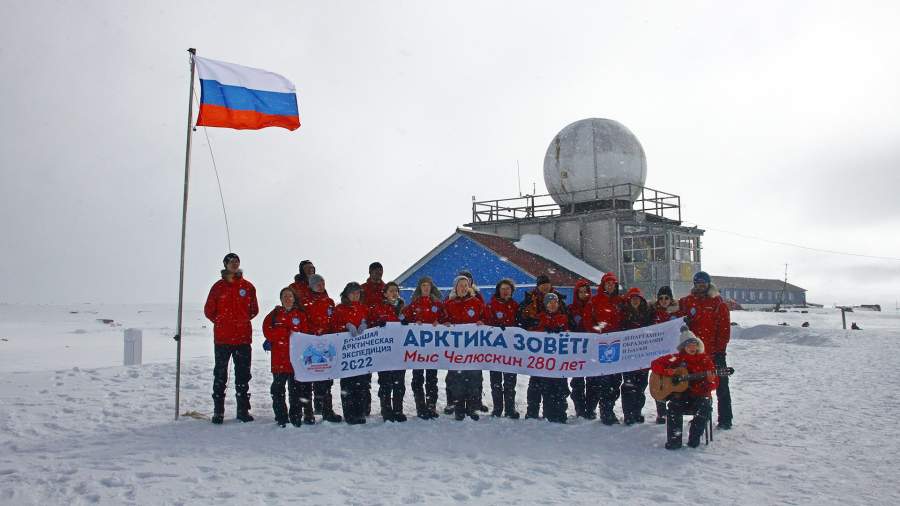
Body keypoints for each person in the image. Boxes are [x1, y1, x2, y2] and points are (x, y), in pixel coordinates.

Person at [204, 253, 259, 424]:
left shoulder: (248, 287)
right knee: (220, 375)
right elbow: (209, 310)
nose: (234, 264)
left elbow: (253, 310)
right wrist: (222, 322)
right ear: (225, 265)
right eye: (231, 262)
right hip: (223, 339)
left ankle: (243, 410)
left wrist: (241, 321)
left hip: (242, 339)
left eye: (237, 262)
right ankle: (218, 411)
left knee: (243, 376)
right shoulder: (218, 287)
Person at [679, 271, 732, 430]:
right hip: (694, 353)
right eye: (698, 283)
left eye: (704, 283)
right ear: (694, 284)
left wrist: (720, 350)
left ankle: (725, 419)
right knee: (694, 386)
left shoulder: (717, 303)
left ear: (708, 284)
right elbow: (673, 311)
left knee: (721, 384)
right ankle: (698, 417)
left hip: (714, 353)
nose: (701, 286)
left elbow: (724, 330)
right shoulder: (688, 302)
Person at [651, 329, 719, 449]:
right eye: (689, 345)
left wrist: (709, 381)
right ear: (683, 347)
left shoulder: (705, 360)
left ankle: (694, 439)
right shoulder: (676, 358)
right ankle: (674, 441)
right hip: (681, 395)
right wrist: (667, 371)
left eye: (694, 344)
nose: (692, 347)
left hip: (699, 395)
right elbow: (655, 363)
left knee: (704, 408)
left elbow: (714, 383)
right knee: (673, 407)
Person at [262, 287, 308, 427]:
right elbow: (267, 331)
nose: (288, 299)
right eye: (285, 296)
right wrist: (284, 334)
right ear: (281, 299)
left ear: (294, 299)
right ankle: (281, 417)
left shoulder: (300, 315)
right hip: (279, 360)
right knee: (278, 390)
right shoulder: (274, 314)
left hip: (295, 361)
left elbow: (305, 334)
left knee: (295, 391)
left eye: (290, 296)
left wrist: (291, 336)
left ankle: (295, 417)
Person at [442, 275, 486, 421]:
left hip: (473, 352)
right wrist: (445, 323)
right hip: (455, 352)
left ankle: (472, 408)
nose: (463, 288)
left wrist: (482, 322)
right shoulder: (449, 304)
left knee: (473, 380)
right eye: (460, 285)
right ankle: (459, 408)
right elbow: (442, 319)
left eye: (465, 285)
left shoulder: (476, 302)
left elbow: (486, 317)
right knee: (457, 381)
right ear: (455, 287)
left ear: (469, 287)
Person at [301, 273, 343, 423]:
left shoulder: (329, 302)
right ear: (311, 285)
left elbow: (334, 321)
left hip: (326, 345)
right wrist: (313, 332)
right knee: (307, 379)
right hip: (310, 345)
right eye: (318, 283)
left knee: (325, 380)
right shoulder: (304, 302)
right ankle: (308, 412)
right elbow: (302, 322)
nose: (321, 285)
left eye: (323, 283)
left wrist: (335, 333)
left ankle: (326, 410)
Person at [402, 276, 444, 419]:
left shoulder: (437, 304)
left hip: (432, 349)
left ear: (432, 287)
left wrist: (440, 322)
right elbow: (403, 319)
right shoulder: (414, 304)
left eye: (428, 285)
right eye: (423, 285)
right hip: (417, 350)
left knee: (432, 378)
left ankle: (431, 406)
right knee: (418, 378)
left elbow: (446, 319)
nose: (426, 288)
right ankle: (420, 406)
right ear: (419, 288)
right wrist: (414, 322)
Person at [367, 281, 407, 422]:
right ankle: (386, 409)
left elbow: (413, 324)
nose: (394, 293)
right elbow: (370, 325)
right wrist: (377, 324)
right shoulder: (379, 308)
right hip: (384, 354)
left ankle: (398, 410)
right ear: (385, 294)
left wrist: (407, 322)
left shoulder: (404, 308)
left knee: (399, 383)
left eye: (396, 290)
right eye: (391, 291)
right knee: (385, 383)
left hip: (400, 352)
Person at [527, 293, 570, 423]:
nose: (552, 305)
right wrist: (543, 332)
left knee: (559, 389)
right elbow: (530, 334)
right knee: (536, 388)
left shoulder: (563, 318)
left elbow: (571, 336)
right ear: (545, 305)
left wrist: (563, 333)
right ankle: (532, 412)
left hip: (557, 362)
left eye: (555, 302)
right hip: (540, 361)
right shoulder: (539, 317)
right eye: (550, 302)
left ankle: (558, 413)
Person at [589, 272, 625, 425]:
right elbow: (588, 320)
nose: (610, 286)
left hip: (618, 344)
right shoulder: (595, 301)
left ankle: (609, 407)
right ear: (603, 285)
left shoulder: (620, 301)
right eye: (607, 283)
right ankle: (606, 411)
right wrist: (597, 332)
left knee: (616, 381)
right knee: (604, 381)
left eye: (613, 284)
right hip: (601, 344)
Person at [332, 282, 371, 425]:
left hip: (360, 353)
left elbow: (370, 324)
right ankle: (349, 414)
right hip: (346, 354)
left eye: (358, 293)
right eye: (353, 293)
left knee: (361, 385)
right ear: (347, 294)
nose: (355, 295)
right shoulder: (340, 309)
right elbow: (334, 326)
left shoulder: (363, 308)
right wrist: (346, 326)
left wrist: (365, 324)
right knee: (348, 385)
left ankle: (360, 413)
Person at [483, 279, 520, 418]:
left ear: (512, 291)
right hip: (495, 352)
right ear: (499, 290)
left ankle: (510, 409)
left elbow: (520, 324)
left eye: (508, 289)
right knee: (496, 382)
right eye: (503, 289)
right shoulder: (491, 305)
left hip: (511, 352)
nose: (505, 291)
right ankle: (497, 408)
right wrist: (496, 327)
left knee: (510, 382)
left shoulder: (516, 306)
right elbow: (487, 322)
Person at [619, 287, 656, 425]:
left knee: (641, 385)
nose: (635, 301)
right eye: (632, 298)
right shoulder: (623, 313)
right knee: (628, 385)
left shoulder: (648, 313)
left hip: (643, 355)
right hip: (628, 355)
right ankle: (628, 413)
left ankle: (637, 411)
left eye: (637, 298)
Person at [567, 279, 594, 418]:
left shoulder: (594, 307)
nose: (583, 294)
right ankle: (579, 407)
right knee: (577, 381)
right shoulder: (571, 309)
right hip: (576, 350)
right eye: (581, 292)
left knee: (592, 381)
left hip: (592, 350)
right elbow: (567, 326)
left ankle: (590, 408)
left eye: (586, 292)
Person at [652, 285, 680, 424]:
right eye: (661, 298)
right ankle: (661, 412)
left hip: (673, 352)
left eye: (666, 298)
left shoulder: (677, 313)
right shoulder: (653, 312)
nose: (664, 301)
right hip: (658, 352)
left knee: (673, 379)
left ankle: (674, 410)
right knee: (659, 381)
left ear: (671, 299)